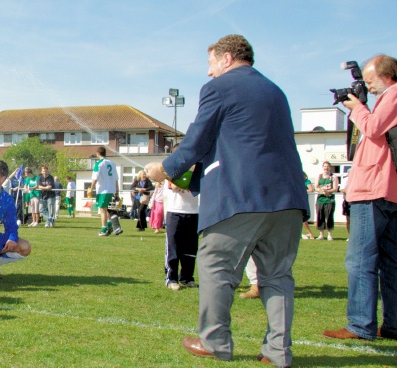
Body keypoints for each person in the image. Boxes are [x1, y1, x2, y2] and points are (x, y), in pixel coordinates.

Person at [145, 34, 308, 367]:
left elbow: (196, 142)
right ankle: (279, 353)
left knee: (215, 265)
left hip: (242, 196)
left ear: (227, 58)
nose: (208, 73)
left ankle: (215, 341)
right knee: (277, 276)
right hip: (288, 198)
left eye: (210, 63)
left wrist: (164, 168)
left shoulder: (221, 87)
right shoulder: (276, 91)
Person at [323, 54, 397, 341]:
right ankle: (391, 325)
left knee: (360, 260)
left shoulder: (391, 96)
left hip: (373, 190)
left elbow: (374, 128)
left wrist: (357, 108)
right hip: (388, 191)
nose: (367, 87)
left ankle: (360, 324)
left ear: (386, 75)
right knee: (390, 262)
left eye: (369, 81)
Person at [163, 171, 199, 291]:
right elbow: (174, 185)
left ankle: (187, 277)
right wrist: (188, 180)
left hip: (193, 212)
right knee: (173, 247)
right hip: (175, 212)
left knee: (190, 248)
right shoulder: (173, 172)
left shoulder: (197, 172)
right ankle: (171, 278)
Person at [89, 147, 118, 236]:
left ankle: (104, 229)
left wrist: (91, 189)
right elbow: (116, 178)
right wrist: (117, 190)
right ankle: (109, 225)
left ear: (98, 153)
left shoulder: (98, 164)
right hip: (112, 189)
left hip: (103, 190)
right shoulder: (112, 163)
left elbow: (95, 178)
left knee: (103, 210)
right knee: (107, 210)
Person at [314, 161, 338, 241]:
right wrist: (321, 191)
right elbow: (316, 187)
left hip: (329, 199)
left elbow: (335, 188)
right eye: (325, 166)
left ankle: (329, 234)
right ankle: (321, 234)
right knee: (320, 216)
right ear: (322, 167)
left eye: (327, 166)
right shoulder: (319, 176)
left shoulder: (333, 177)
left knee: (329, 216)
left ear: (330, 167)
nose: (326, 168)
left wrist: (328, 191)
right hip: (320, 199)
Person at [301, 172, 317, 240]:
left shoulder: (307, 181)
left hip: (303, 201)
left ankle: (310, 234)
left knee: (303, 218)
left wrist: (302, 190)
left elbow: (311, 189)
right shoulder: (298, 182)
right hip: (297, 200)